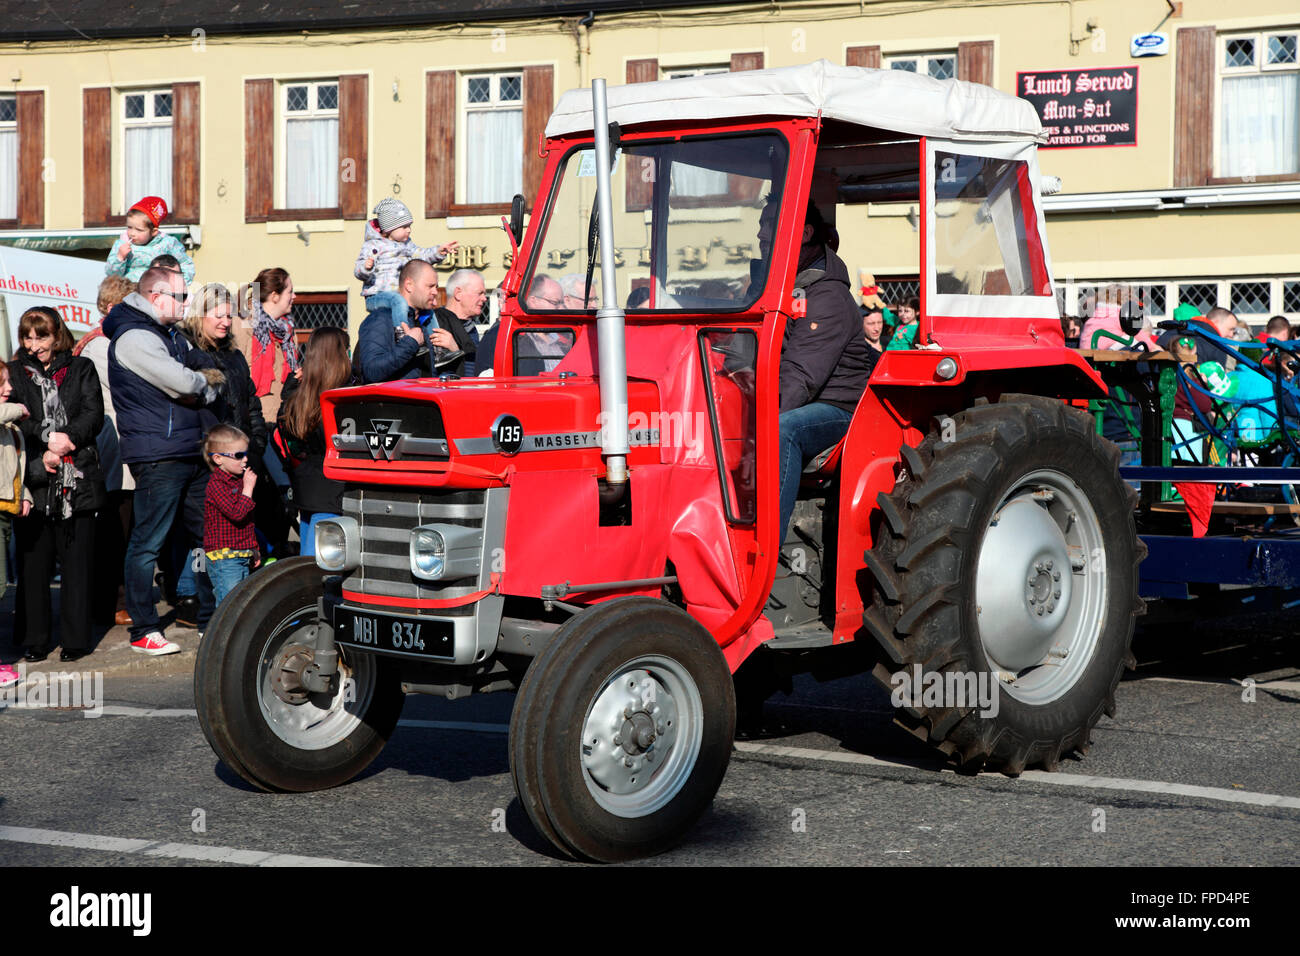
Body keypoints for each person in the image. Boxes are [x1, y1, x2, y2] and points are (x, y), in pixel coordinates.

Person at [106, 267, 224, 655]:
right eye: (181, 296)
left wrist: (198, 384)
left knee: (208, 537)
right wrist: (196, 385)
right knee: (147, 544)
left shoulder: (169, 334)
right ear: (157, 297)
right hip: (158, 455)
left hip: (188, 448)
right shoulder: (135, 337)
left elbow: (206, 372)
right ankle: (143, 628)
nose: (187, 303)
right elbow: (185, 381)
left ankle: (212, 619)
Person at [766, 198, 871, 543]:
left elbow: (801, 377)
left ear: (806, 233)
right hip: (805, 395)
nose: (760, 235)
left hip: (838, 407)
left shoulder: (826, 296)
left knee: (784, 429)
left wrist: (756, 421)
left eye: (769, 228)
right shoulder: (779, 288)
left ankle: (765, 542)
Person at [8, 307, 106, 663]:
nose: (34, 345)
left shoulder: (81, 368)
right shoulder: (17, 372)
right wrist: (47, 441)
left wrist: (67, 439)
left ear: (56, 336)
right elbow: (17, 414)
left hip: (76, 474)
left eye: (42, 336)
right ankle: (35, 639)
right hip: (35, 474)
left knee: (76, 562)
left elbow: (93, 415)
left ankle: (75, 639)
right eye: (27, 337)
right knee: (34, 563)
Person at [174, 283, 269, 629]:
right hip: (211, 461)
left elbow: (251, 404)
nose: (227, 322)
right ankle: (200, 606)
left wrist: (254, 445)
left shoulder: (235, 356)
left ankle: (214, 608)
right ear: (201, 314)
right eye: (219, 315)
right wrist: (213, 453)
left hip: (241, 456)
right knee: (207, 536)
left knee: (235, 530)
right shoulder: (189, 354)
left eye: (229, 315)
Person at [74, 275, 137, 627]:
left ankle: (116, 598)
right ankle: (112, 601)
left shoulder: (107, 341)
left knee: (121, 524)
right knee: (116, 526)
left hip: (120, 441)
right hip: (113, 442)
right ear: (114, 307)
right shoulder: (102, 346)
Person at [279, 328, 355, 554]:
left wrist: (288, 392)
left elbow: (291, 439)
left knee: (307, 561)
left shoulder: (299, 398)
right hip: (334, 488)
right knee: (319, 567)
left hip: (308, 485)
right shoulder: (344, 398)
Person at [355, 197, 456, 331]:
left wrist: (438, 252)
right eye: (404, 227)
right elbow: (358, 271)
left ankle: (437, 344)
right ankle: (402, 333)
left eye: (409, 226)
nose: (409, 230)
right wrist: (366, 268)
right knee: (398, 301)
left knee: (426, 307)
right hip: (377, 296)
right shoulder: (373, 246)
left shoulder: (407, 245)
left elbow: (422, 256)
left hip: (400, 296)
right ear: (389, 229)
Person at [356, 259, 450, 383]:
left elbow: (428, 373)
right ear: (409, 285)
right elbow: (371, 372)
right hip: (394, 401)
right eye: (430, 286)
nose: (435, 292)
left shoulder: (424, 322)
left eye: (436, 287)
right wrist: (410, 343)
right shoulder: (381, 318)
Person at [201, 424, 259, 606]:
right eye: (239, 455)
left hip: (240, 553)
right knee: (229, 606)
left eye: (246, 454)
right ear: (218, 458)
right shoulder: (217, 485)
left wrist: (253, 548)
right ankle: (221, 635)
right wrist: (248, 489)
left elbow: (247, 522)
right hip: (224, 558)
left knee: (241, 604)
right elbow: (237, 514)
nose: (245, 460)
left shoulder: (237, 480)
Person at [0, 361, 33, 684]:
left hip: (5, 508)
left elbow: (14, 467)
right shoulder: (8, 416)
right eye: (2, 384)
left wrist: (25, 495)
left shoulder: (10, 427)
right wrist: (17, 409)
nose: (9, 389)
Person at [238, 267, 300, 425]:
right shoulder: (243, 326)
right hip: (255, 422)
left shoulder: (289, 332)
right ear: (274, 296)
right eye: (290, 292)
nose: (294, 296)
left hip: (285, 421)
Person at [104, 196, 196, 284]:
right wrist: (120, 258)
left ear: (154, 231)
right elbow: (112, 276)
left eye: (139, 230)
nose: (132, 233)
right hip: (129, 292)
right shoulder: (121, 244)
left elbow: (185, 264)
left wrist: (178, 286)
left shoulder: (167, 244)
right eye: (129, 227)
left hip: (158, 291)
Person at [436, 269, 485, 376]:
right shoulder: (437, 325)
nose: (485, 298)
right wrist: (454, 353)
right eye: (479, 293)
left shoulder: (470, 328)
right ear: (458, 293)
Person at [861, 305, 886, 375]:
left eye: (880, 322)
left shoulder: (892, 343)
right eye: (871, 324)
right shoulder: (860, 350)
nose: (877, 328)